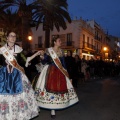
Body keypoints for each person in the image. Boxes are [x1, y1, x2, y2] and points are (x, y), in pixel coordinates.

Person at [26, 36, 79, 119]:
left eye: (60, 41)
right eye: (59, 41)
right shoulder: (48, 50)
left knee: (58, 89)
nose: (60, 42)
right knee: (49, 88)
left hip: (60, 72)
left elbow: (63, 64)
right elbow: (45, 61)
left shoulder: (61, 51)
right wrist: (42, 57)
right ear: (54, 42)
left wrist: (67, 74)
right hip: (50, 71)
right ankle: (51, 109)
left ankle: (55, 107)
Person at [0, 31, 39, 120]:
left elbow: (26, 60)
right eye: (11, 36)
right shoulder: (1, 50)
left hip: (17, 75)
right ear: (7, 38)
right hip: (3, 75)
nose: (13, 37)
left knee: (20, 96)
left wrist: (36, 54)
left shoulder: (18, 49)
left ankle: (17, 116)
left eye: (14, 36)